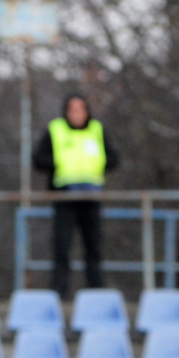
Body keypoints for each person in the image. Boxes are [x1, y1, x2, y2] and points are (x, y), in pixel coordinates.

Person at [31, 93, 120, 298]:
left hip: (91, 196)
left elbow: (114, 158)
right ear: (66, 112)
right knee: (62, 246)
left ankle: (96, 292)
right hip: (65, 195)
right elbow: (38, 159)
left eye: (80, 109)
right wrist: (59, 164)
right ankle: (59, 293)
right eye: (72, 110)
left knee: (94, 246)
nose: (77, 114)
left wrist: (97, 165)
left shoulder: (97, 130)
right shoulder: (56, 130)